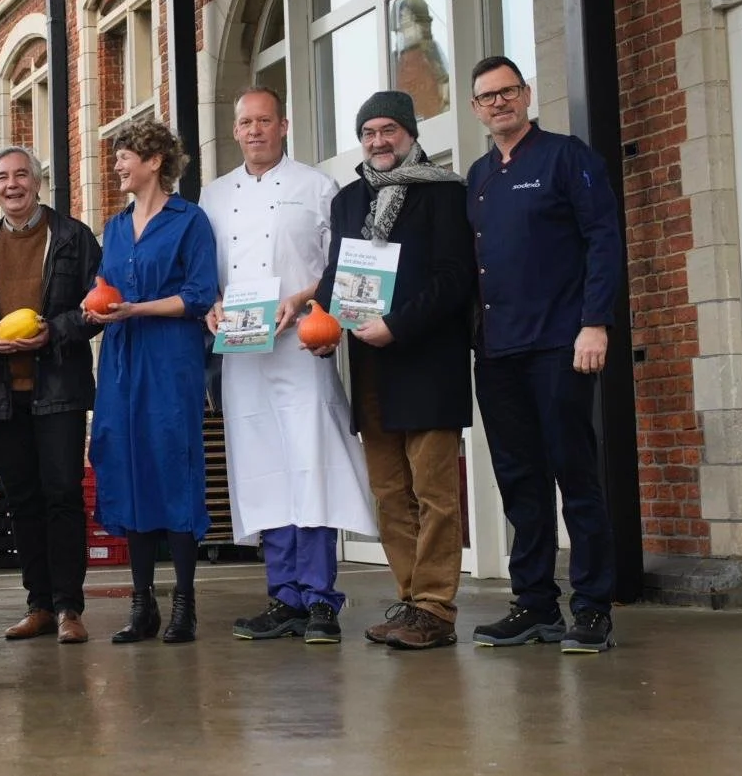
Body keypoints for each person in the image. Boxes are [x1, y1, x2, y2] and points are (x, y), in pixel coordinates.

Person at [200, 87, 375, 646]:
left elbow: (342, 267)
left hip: (303, 345)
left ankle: (321, 597)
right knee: (262, 469)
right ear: (235, 131)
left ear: (284, 125)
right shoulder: (214, 194)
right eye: (245, 122)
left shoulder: (317, 186)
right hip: (243, 352)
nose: (254, 130)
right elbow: (209, 273)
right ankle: (284, 596)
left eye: (265, 121)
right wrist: (213, 306)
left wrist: (303, 301)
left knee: (312, 463)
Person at [465, 56, 622, 654]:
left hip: (561, 343)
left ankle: (591, 608)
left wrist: (595, 323)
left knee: (575, 476)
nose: (499, 103)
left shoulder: (566, 157)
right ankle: (534, 605)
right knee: (519, 483)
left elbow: (603, 239)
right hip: (497, 353)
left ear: (526, 94)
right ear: (477, 109)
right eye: (487, 97)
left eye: (508, 92)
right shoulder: (478, 175)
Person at [310, 91, 474, 649]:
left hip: (427, 362)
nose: (378, 141)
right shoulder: (350, 199)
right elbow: (338, 276)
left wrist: (397, 326)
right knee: (389, 494)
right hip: (373, 368)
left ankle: (435, 606)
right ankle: (410, 601)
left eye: (388, 130)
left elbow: (456, 279)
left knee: (434, 493)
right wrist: (321, 322)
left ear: (410, 132)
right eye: (368, 132)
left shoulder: (446, 192)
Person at [0, 146, 103, 644]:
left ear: (38, 182)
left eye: (21, 175)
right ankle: (37, 603)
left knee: (62, 496)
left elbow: (96, 306)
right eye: (1, 178)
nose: (12, 185)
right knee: (22, 501)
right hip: (0, 393)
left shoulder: (73, 238)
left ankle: (69, 608)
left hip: (57, 388)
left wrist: (54, 332)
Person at [85, 118, 217, 646]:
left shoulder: (191, 221)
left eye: (125, 156)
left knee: (173, 468)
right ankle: (142, 604)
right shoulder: (115, 228)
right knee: (128, 467)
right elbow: (105, 287)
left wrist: (137, 307)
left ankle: (184, 603)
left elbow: (200, 294)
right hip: (120, 361)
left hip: (170, 361)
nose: (117, 164)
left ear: (155, 161)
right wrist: (96, 305)